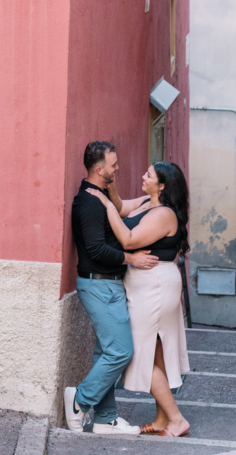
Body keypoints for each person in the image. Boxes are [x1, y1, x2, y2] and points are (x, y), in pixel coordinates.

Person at [88, 161, 191, 438]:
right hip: (145, 285)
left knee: (140, 353)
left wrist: (107, 207)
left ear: (162, 186)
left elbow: (130, 240)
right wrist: (111, 189)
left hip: (155, 288)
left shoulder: (164, 214)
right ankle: (162, 418)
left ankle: (177, 420)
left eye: (149, 175)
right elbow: (122, 207)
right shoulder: (148, 201)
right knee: (155, 353)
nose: (143, 177)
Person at [65, 141, 158, 435]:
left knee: (105, 351)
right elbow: (95, 248)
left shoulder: (101, 195)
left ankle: (105, 418)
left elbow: (121, 208)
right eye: (114, 165)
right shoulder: (89, 202)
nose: (118, 168)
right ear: (99, 169)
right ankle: (79, 401)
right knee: (120, 351)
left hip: (108, 285)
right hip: (99, 286)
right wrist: (131, 258)